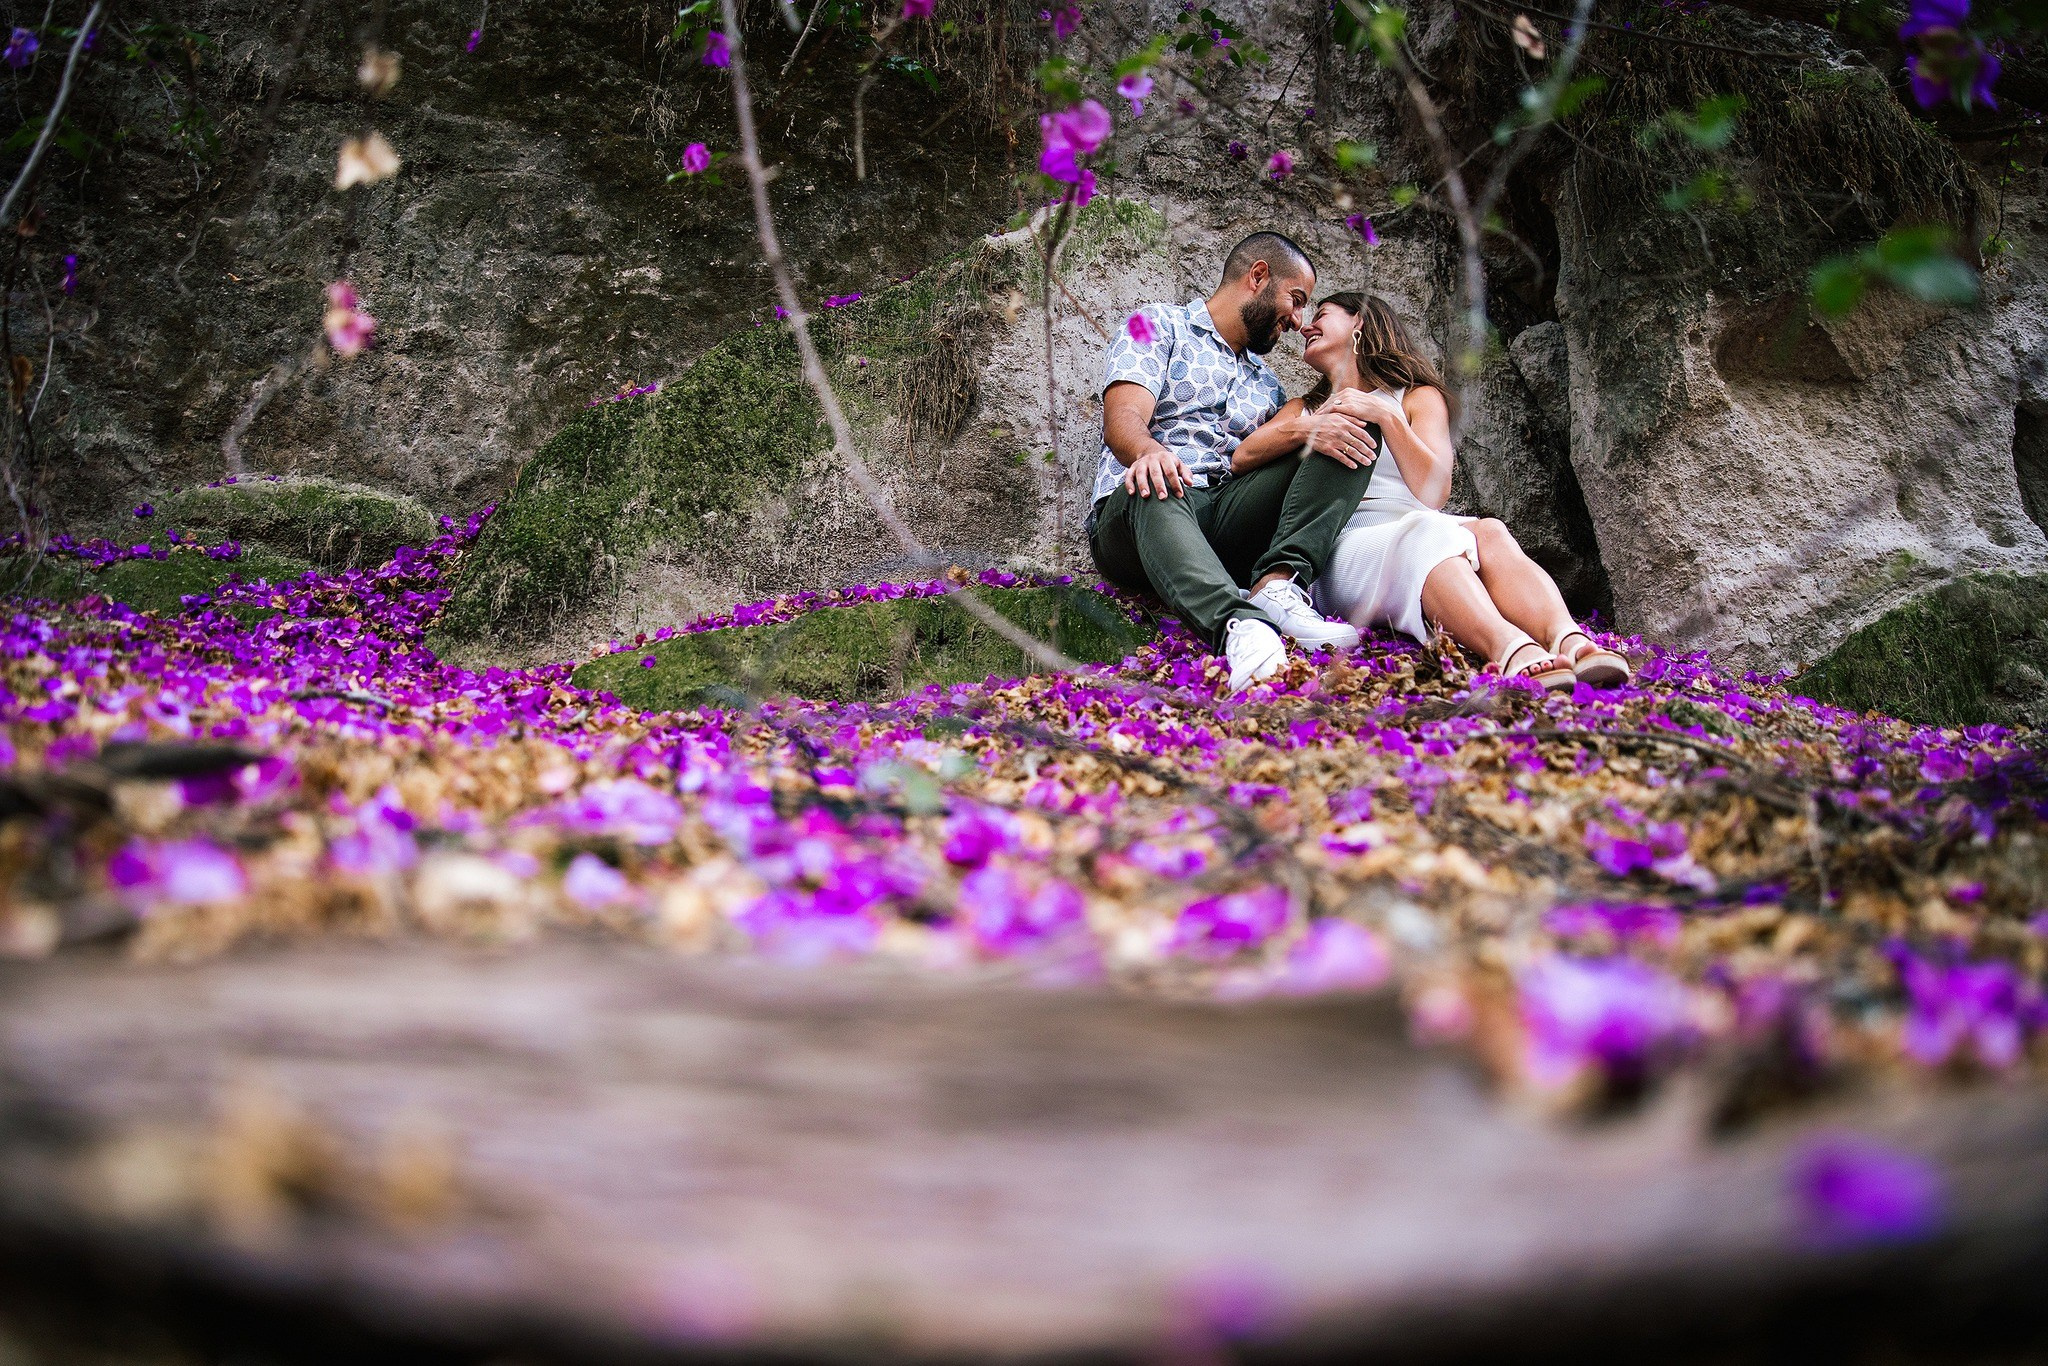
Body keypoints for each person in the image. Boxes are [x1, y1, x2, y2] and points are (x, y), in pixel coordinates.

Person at [1256, 291, 1631, 688]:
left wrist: (1386, 415)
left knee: (1489, 531)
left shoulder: (1418, 397)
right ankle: (1510, 648)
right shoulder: (1304, 408)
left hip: (1417, 522)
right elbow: (1242, 456)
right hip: (1340, 544)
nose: (1306, 325)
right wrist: (1309, 427)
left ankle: (1568, 638)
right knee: (1427, 533)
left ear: (1360, 323)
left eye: (1323, 314)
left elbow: (1433, 493)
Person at [1088, 232, 1387, 692]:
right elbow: (1123, 417)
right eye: (1297, 299)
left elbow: (1255, 463)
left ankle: (1279, 585)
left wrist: (1316, 424)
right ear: (1259, 276)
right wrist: (1150, 453)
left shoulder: (1267, 386)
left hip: (1222, 518)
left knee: (1349, 426)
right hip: (1138, 515)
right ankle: (1242, 629)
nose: (1298, 320)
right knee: (1157, 481)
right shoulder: (1155, 324)